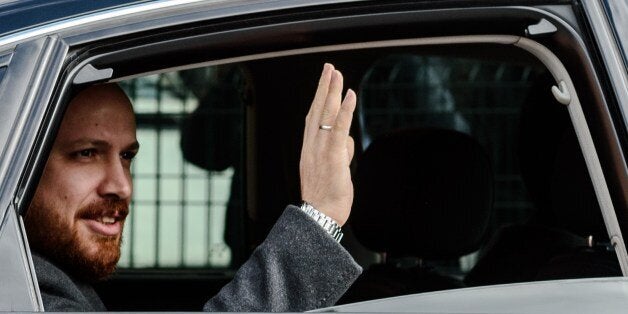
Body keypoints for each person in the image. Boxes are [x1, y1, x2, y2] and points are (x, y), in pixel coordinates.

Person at [24, 64, 362, 311]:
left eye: (127, 156)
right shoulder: (26, 293)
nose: (122, 185)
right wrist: (321, 215)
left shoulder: (46, 278)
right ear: (24, 164)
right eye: (86, 154)